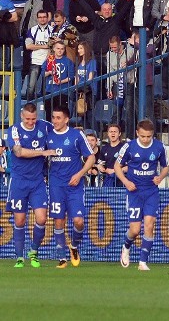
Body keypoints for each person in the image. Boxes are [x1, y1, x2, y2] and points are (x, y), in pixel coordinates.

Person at [115, 119, 169, 271]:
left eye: (149, 136)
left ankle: (143, 262)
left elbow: (166, 167)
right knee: (135, 229)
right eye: (143, 136)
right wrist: (126, 182)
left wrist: (161, 177)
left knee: (149, 224)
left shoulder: (159, 147)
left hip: (151, 191)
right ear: (137, 133)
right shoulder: (129, 146)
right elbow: (117, 166)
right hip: (134, 192)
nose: (146, 139)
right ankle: (126, 247)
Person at [6, 102, 55, 268]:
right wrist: (42, 152)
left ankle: (34, 251)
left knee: (42, 218)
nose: (30, 122)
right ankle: (19, 257)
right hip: (19, 181)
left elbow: (60, 131)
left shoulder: (45, 127)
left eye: (33, 119)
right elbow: (19, 152)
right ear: (22, 116)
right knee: (19, 220)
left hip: (38, 181)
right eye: (27, 119)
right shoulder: (14, 130)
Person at [47, 105, 95, 268]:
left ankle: (74, 246)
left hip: (74, 185)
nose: (55, 121)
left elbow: (91, 158)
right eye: (53, 117)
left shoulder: (76, 135)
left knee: (78, 221)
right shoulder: (48, 135)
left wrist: (80, 174)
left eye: (58, 118)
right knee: (59, 220)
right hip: (56, 185)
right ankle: (62, 257)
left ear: (67, 119)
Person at [42, 41, 74, 121]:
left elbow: (70, 76)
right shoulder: (49, 60)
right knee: (49, 115)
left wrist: (61, 81)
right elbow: (43, 74)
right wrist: (49, 72)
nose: (60, 51)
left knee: (61, 114)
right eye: (58, 48)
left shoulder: (68, 61)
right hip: (50, 91)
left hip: (63, 91)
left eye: (62, 49)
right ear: (54, 49)